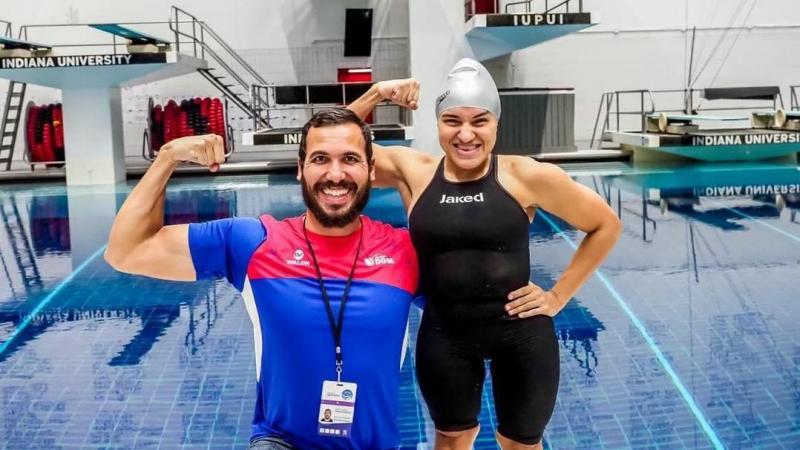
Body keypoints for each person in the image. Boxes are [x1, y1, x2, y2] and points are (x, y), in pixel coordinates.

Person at [347, 59, 622, 450]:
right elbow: (333, 142)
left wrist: (558, 296)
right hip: (446, 335)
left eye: (480, 121)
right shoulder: (416, 171)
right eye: (452, 121)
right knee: (452, 439)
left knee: (521, 444)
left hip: (522, 336)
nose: (465, 134)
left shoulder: (525, 175)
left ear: (496, 123)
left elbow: (605, 225)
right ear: (437, 123)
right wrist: (377, 94)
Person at [104, 108, 419, 450]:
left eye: (350, 159)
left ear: (371, 170)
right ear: (300, 169)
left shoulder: (406, 251)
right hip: (281, 442)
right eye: (320, 158)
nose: (335, 173)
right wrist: (167, 158)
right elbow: (127, 250)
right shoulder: (254, 242)